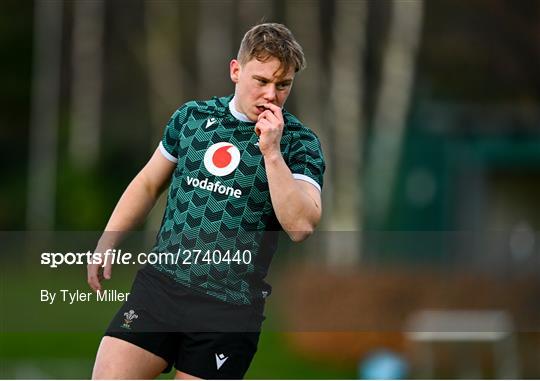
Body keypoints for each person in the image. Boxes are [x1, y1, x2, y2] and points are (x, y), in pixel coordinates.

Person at [88, 22, 325, 380]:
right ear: (235, 70)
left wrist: (272, 153)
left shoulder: (299, 143)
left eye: (283, 85)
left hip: (228, 310)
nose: (271, 95)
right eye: (261, 81)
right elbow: (149, 183)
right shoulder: (191, 118)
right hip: (161, 288)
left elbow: (302, 226)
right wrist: (109, 239)